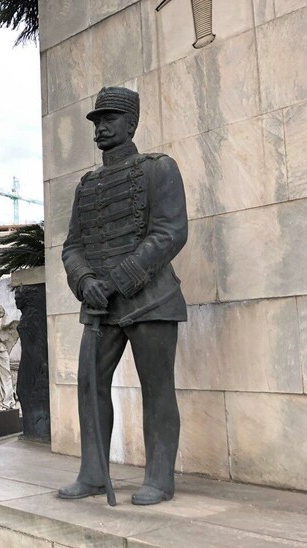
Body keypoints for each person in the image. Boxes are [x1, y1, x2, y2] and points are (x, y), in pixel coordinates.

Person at [59, 86, 188, 505]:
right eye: (96, 121)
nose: (100, 128)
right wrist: (84, 281)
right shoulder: (87, 184)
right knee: (89, 386)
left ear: (131, 123)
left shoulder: (159, 169)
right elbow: (72, 246)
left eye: (109, 119)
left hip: (150, 300)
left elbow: (170, 232)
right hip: (99, 305)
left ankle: (159, 478)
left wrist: (117, 279)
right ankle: (93, 473)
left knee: (157, 390)